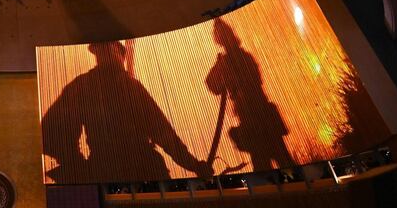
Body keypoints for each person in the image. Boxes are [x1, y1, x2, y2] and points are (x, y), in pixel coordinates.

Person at [41, 41, 212, 182]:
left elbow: (162, 132)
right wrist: (77, 165)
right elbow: (50, 132)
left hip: (128, 171)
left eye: (113, 48)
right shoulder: (86, 86)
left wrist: (194, 165)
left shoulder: (88, 86)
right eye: (108, 48)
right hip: (126, 171)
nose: (110, 52)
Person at [205, 19, 293, 171]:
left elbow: (214, 86)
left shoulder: (234, 60)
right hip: (258, 121)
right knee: (276, 164)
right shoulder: (237, 59)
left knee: (272, 166)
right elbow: (213, 86)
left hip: (257, 120)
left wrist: (221, 67)